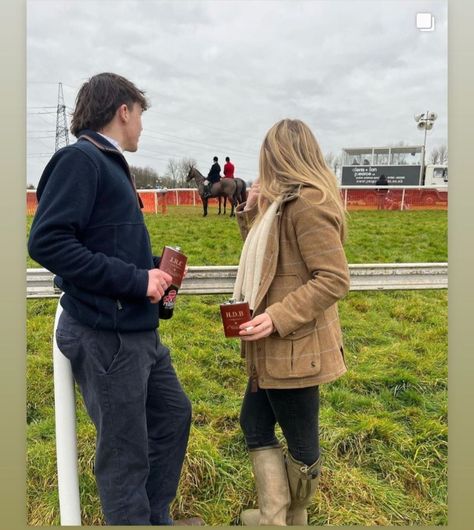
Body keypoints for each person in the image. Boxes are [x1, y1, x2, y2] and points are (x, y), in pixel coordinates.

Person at [28, 73, 203, 526]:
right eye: (141, 113)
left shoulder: (109, 164)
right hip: (107, 336)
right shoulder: (79, 160)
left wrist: (154, 269)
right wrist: (135, 280)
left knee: (172, 417)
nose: (142, 125)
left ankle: (152, 517)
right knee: (125, 456)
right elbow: (47, 242)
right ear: (123, 110)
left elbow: (103, 247)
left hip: (135, 330)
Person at [232, 119, 350, 526]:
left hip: (295, 348)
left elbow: (334, 279)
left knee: (302, 445)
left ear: (279, 155)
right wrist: (250, 213)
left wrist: (276, 317)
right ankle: (276, 516)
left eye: (267, 154)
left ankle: (281, 519)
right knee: (254, 422)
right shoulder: (282, 205)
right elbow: (270, 263)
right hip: (274, 346)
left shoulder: (309, 203)